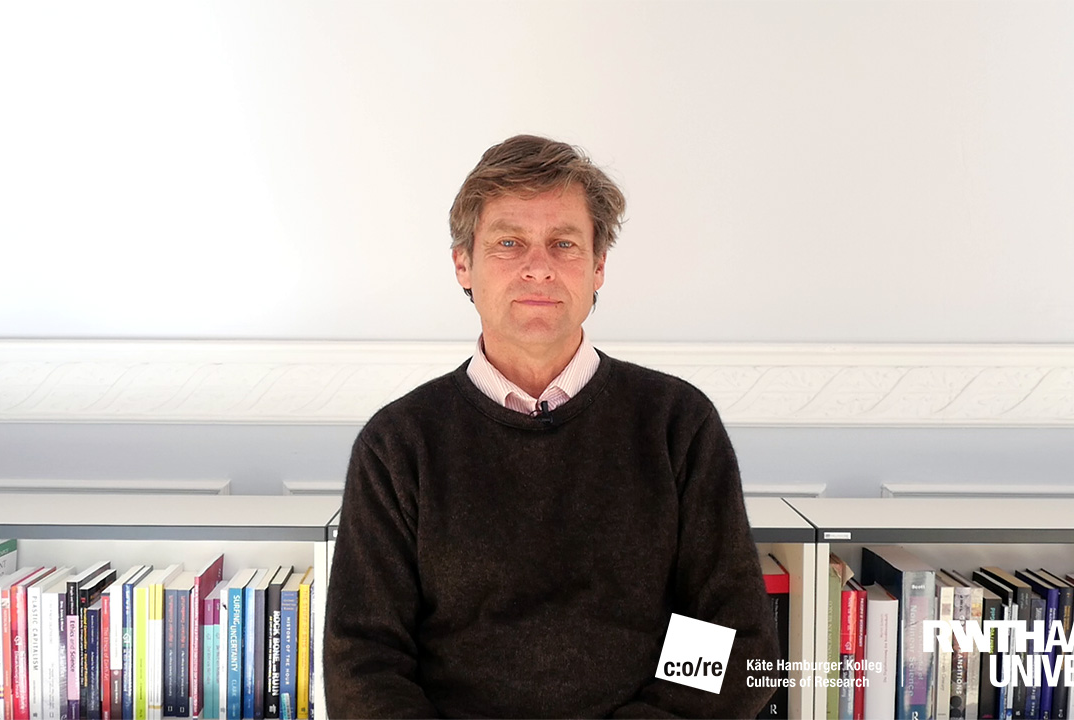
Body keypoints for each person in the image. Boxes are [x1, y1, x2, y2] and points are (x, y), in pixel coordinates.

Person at [324, 134, 779, 718]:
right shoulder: (397, 444)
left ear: (597, 268)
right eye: (509, 243)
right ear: (464, 265)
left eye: (563, 244)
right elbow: (364, 659)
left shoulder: (677, 424)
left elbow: (726, 630)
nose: (538, 268)